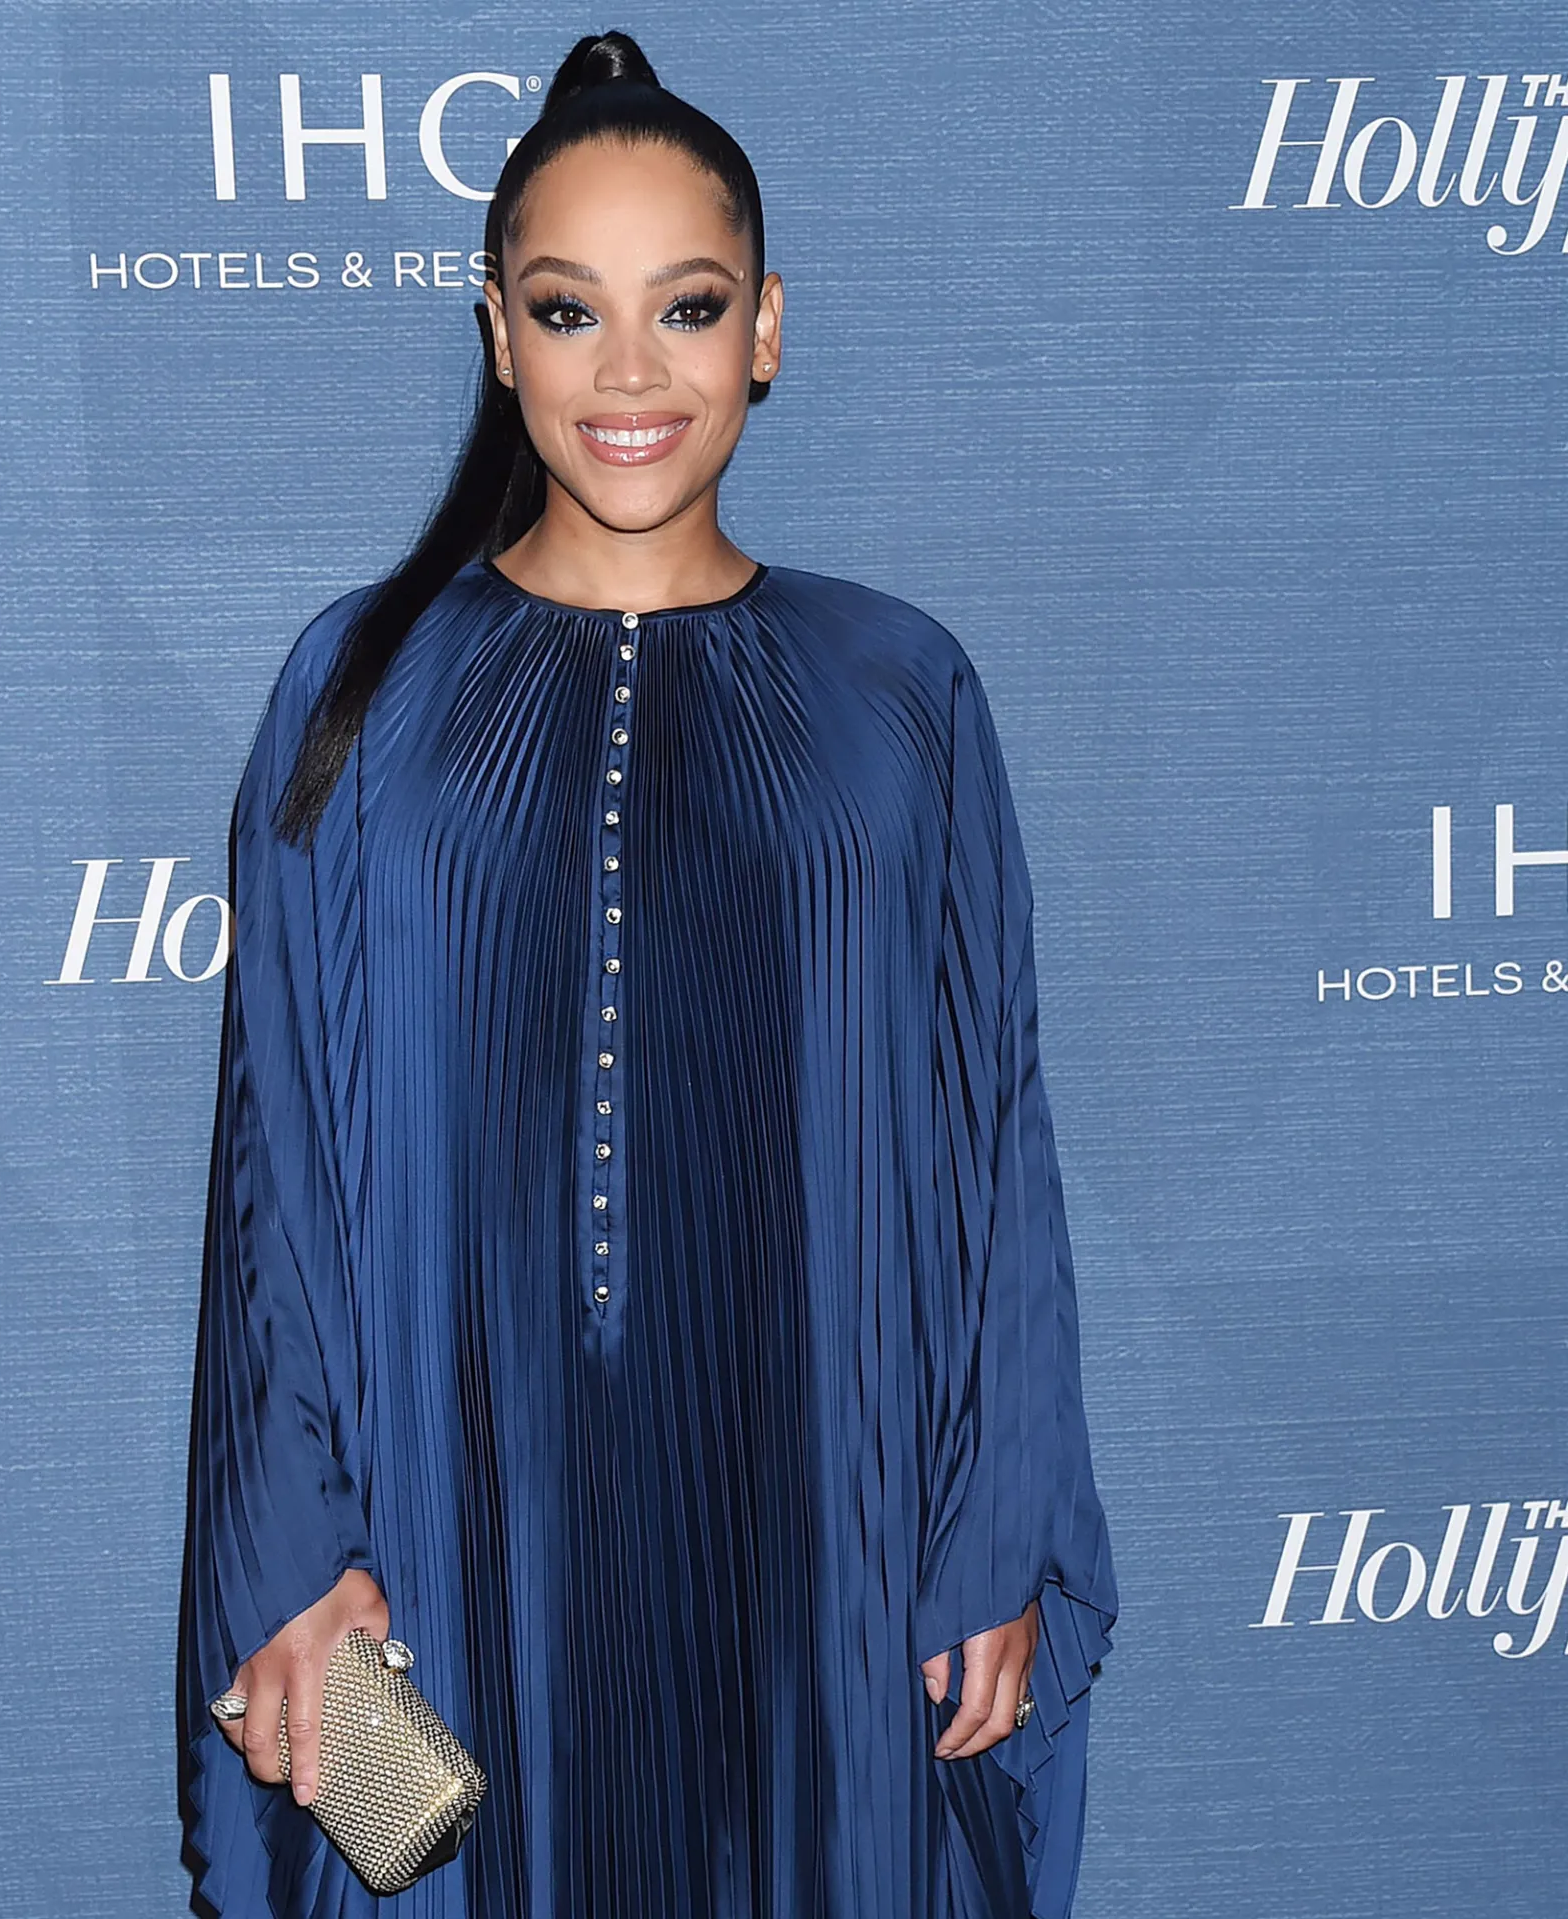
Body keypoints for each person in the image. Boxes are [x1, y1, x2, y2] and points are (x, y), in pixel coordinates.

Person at [178, 29, 1117, 1919]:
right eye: (566, 309)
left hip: (827, 1539)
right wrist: (292, 1543)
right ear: (497, 335)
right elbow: (277, 1163)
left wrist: (994, 1517)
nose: (628, 373)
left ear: (764, 327)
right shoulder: (354, 690)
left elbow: (988, 1132)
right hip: (454, 1528)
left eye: (684, 307)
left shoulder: (903, 693)